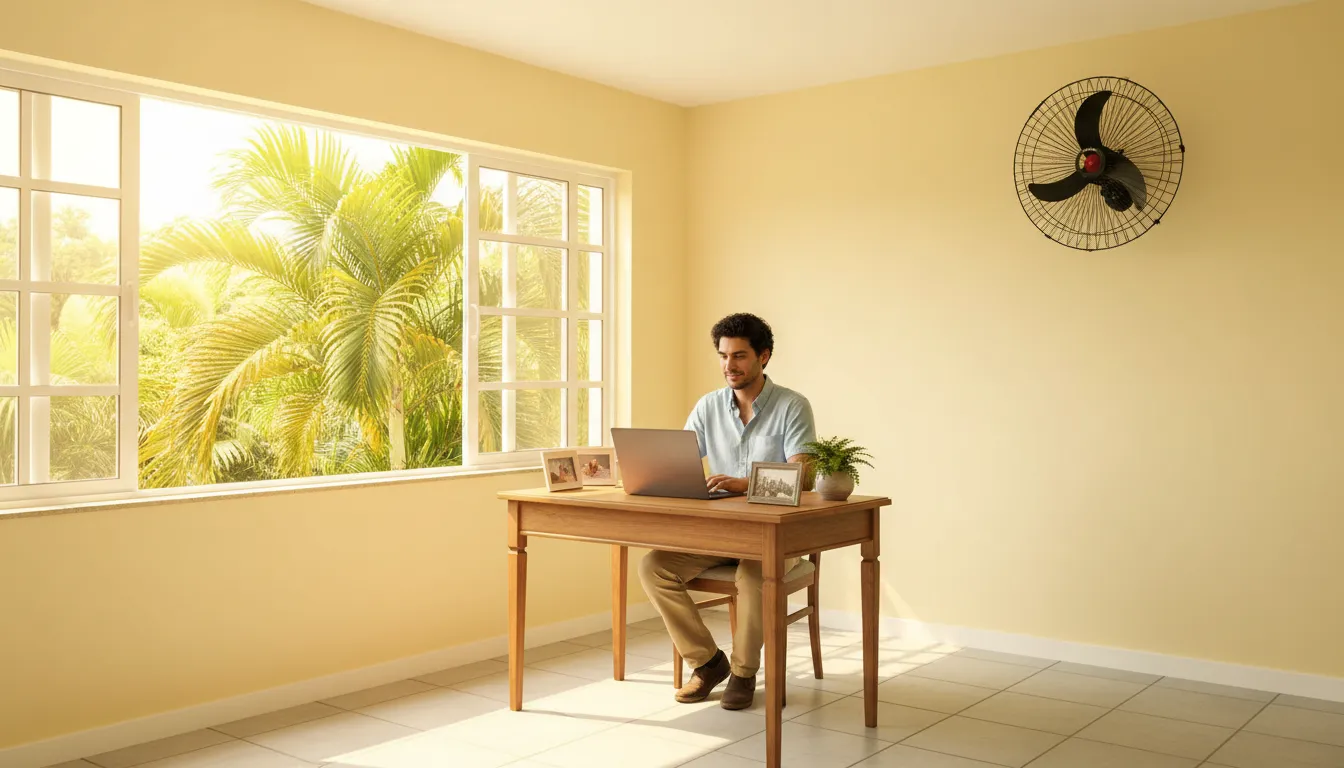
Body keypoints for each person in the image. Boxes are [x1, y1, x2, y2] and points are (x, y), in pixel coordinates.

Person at [638, 313, 816, 710]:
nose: (728, 366)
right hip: (720, 533)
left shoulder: (792, 406)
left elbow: (803, 476)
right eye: (722, 356)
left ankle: (743, 672)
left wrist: (744, 482)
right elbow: (679, 462)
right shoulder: (708, 406)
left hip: (775, 538)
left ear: (763, 357)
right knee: (653, 567)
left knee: (755, 574)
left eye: (739, 356)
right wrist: (655, 473)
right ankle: (707, 663)